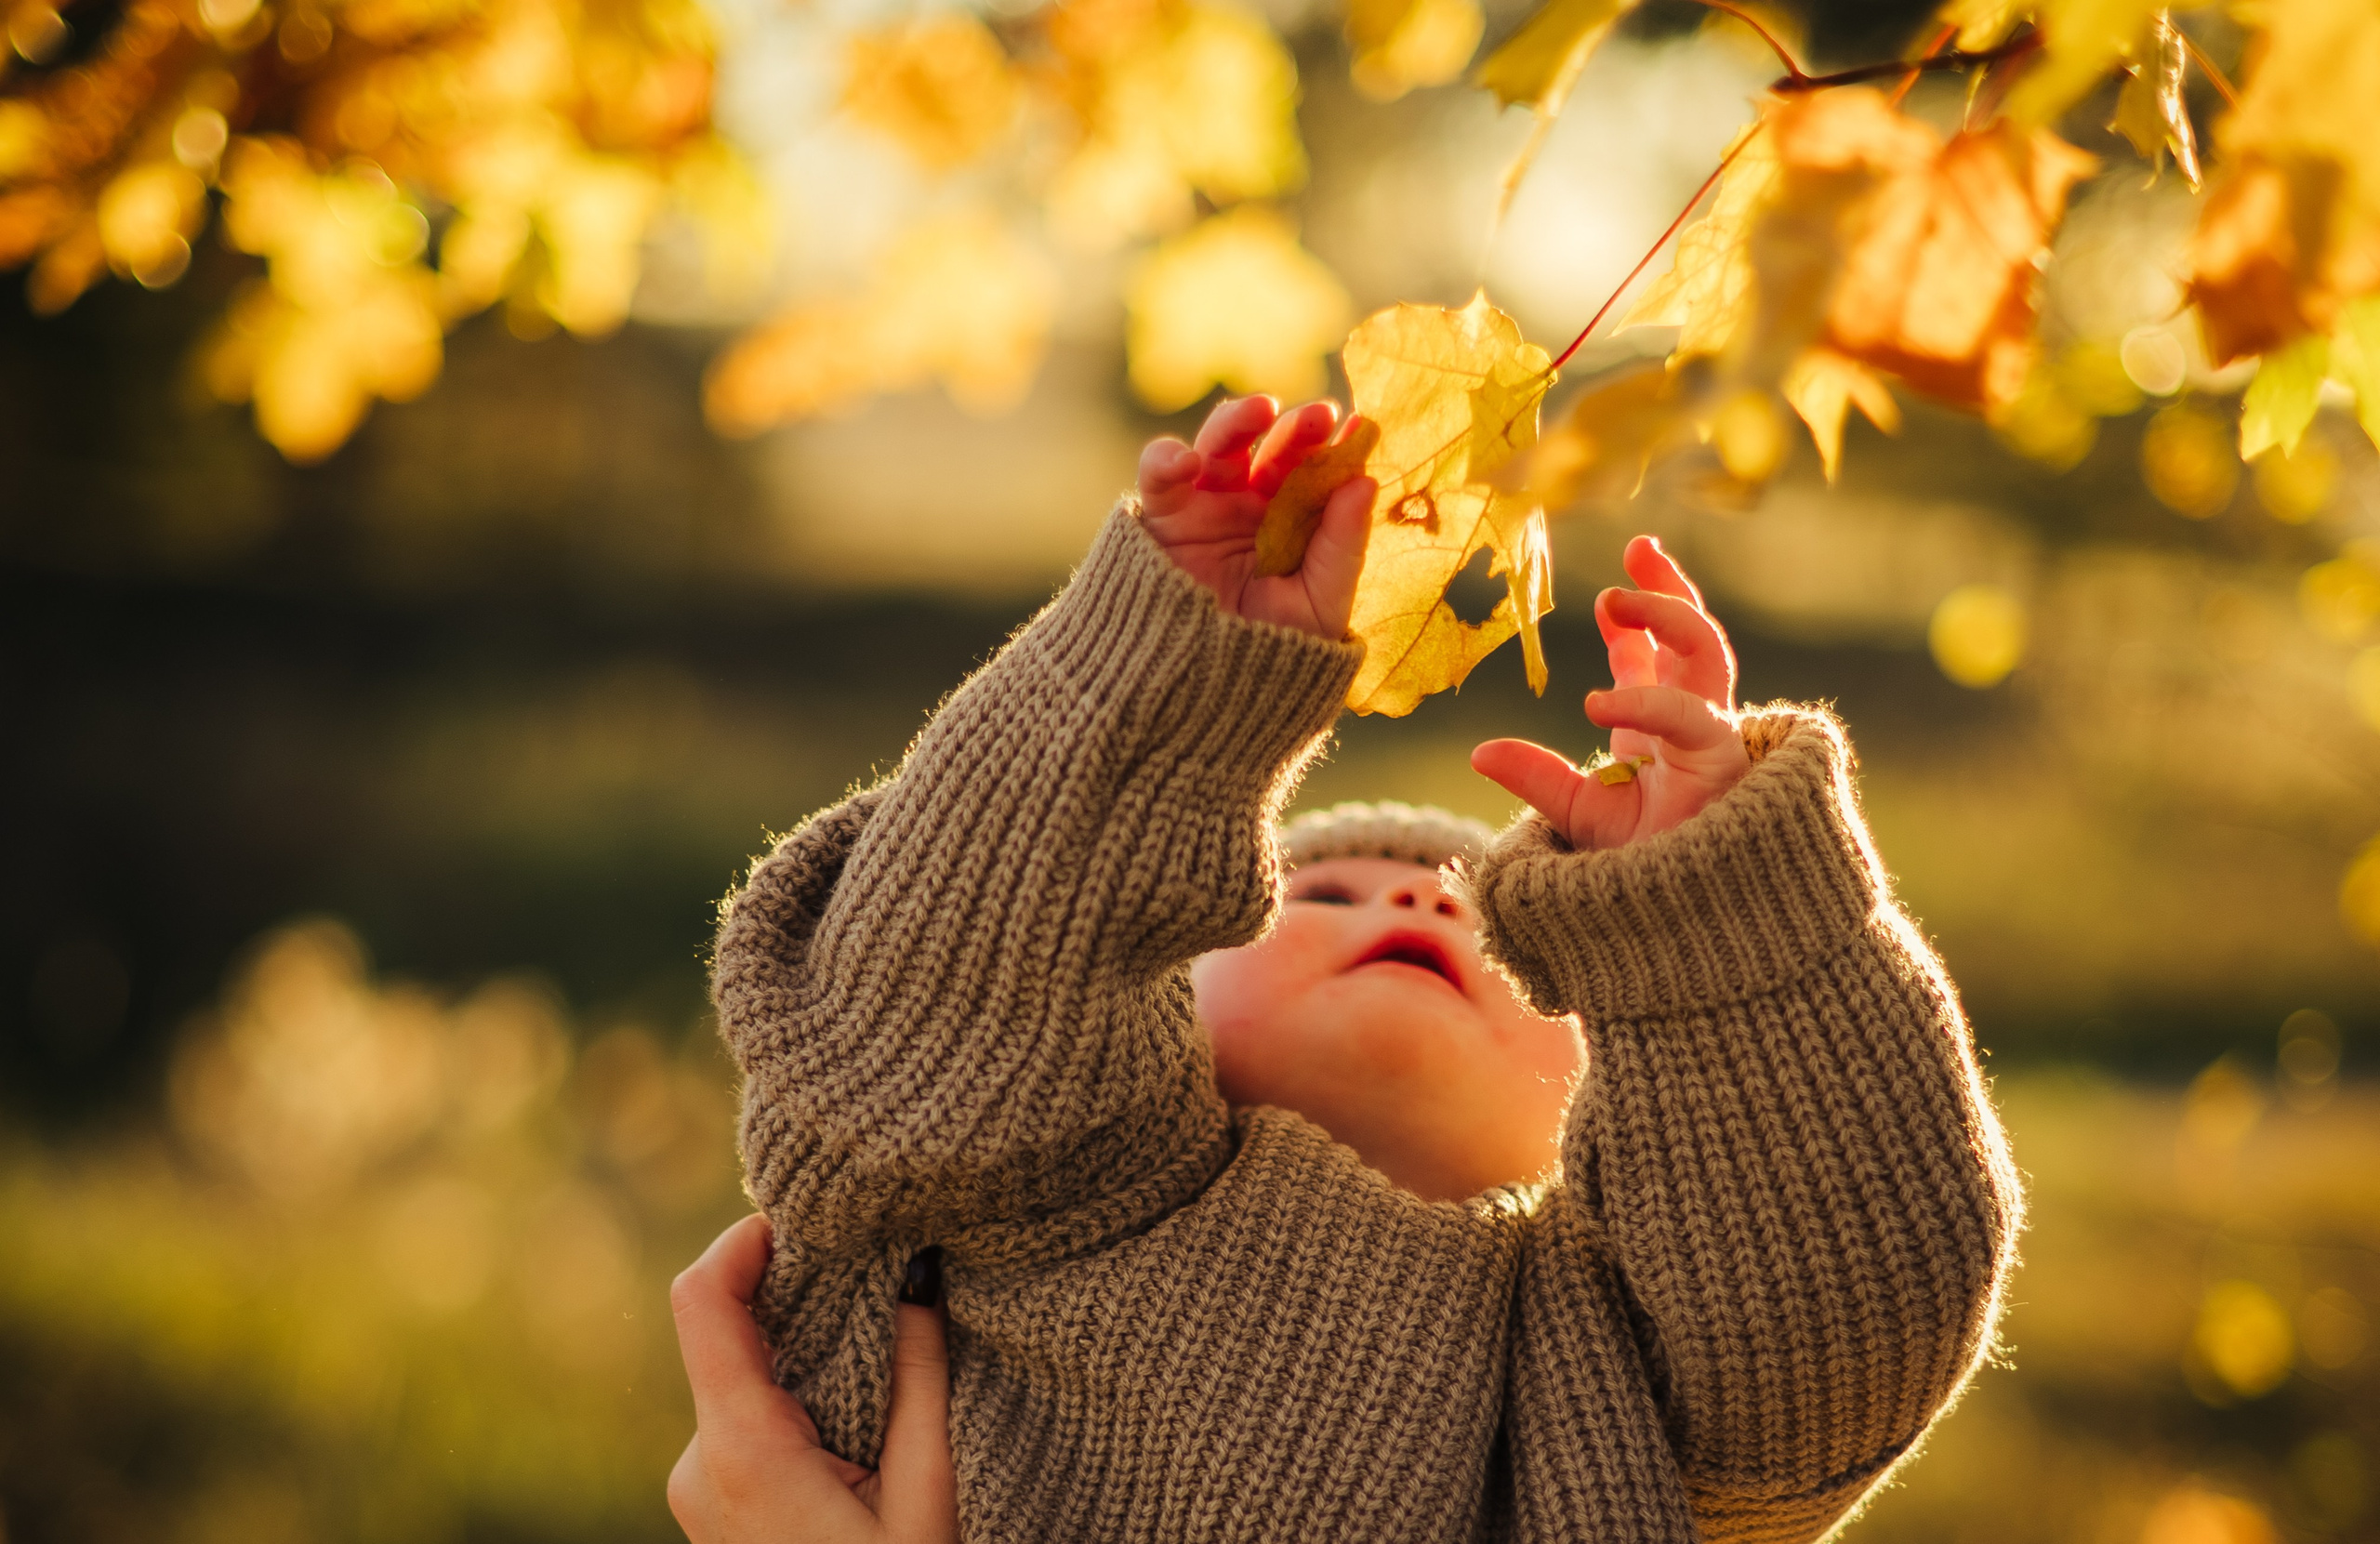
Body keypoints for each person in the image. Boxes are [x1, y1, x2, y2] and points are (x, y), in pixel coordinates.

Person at [674, 392, 2021, 1542]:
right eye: (1314, 891)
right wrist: (1157, 684)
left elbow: (1844, 1310)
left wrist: (1712, 917)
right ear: (1152, 999)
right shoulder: (1050, 1186)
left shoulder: (1608, 1355)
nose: (1407, 896)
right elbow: (930, 1002)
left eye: (1490, 935)